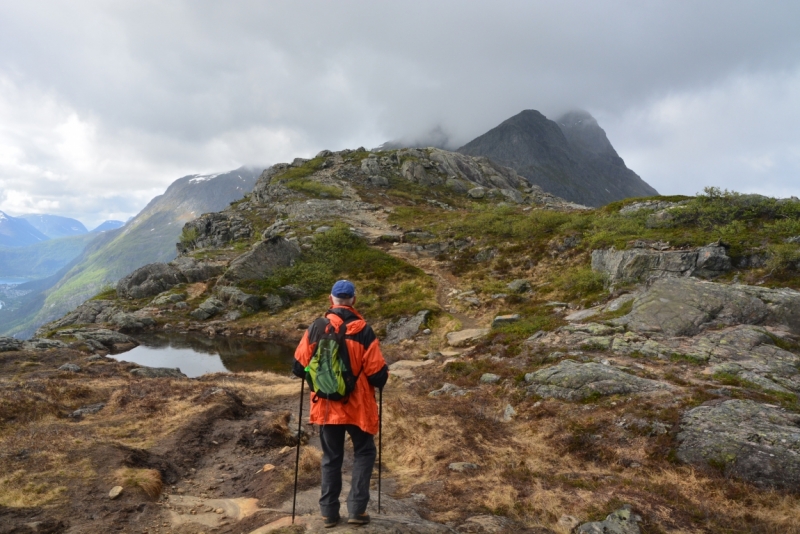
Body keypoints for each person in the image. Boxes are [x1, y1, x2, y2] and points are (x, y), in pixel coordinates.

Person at [293, 279, 389, 528]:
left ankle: (328, 513)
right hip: (358, 407)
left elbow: (297, 368)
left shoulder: (316, 328)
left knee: (331, 457)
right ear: (353, 300)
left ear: (331, 299)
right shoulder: (364, 331)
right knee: (364, 453)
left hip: (326, 406)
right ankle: (357, 511)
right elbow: (378, 377)